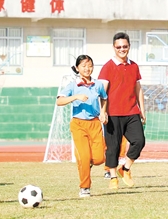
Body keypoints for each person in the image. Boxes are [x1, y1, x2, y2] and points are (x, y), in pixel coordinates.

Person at [98, 32, 146, 190]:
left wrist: (142, 110)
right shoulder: (108, 67)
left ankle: (125, 168)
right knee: (113, 146)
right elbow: (102, 92)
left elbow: (138, 89)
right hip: (112, 113)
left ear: (129, 47)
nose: (122, 49)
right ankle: (113, 177)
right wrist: (103, 111)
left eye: (125, 46)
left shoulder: (134, 66)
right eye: (118, 47)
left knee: (139, 141)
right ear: (114, 48)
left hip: (132, 111)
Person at [56, 55, 107, 198]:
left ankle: (85, 164)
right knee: (84, 156)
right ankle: (85, 187)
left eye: (90, 65)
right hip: (78, 124)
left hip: (95, 123)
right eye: (84, 66)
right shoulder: (73, 86)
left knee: (98, 159)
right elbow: (59, 102)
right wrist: (75, 97)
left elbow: (104, 98)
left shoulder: (98, 85)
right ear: (77, 68)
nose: (87, 69)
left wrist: (103, 112)